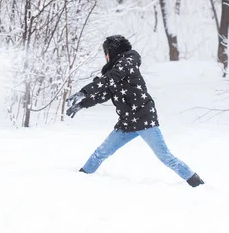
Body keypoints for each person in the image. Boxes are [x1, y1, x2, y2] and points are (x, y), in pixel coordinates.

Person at [66, 35, 204, 187]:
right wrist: (82, 104)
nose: (105, 56)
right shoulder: (114, 71)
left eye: (106, 52)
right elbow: (105, 93)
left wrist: (83, 91)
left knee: (165, 157)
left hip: (144, 118)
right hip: (127, 122)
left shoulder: (128, 62)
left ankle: (196, 182)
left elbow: (110, 79)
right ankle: (81, 178)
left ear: (111, 51)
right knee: (101, 152)